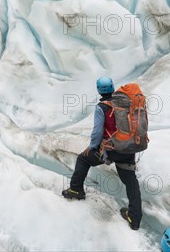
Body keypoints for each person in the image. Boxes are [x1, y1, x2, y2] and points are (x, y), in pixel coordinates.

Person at [61, 76, 142, 230]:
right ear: (112, 87)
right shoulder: (125, 103)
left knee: (83, 159)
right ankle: (134, 217)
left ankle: (76, 190)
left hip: (111, 150)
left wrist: (92, 147)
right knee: (131, 181)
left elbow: (97, 131)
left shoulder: (102, 107)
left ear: (99, 90)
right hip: (129, 149)